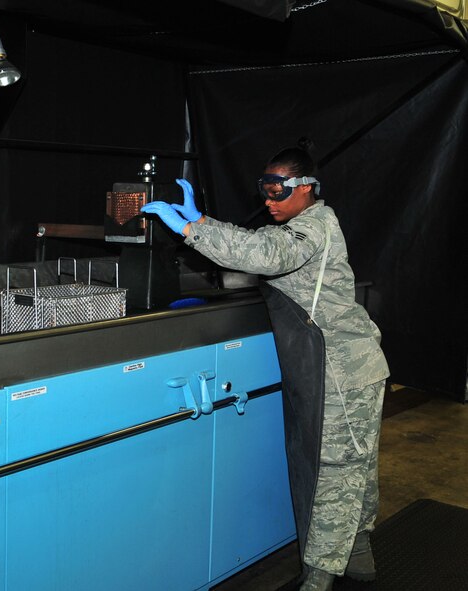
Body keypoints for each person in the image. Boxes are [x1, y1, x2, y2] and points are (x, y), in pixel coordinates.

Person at [141, 143, 390, 591]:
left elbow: (267, 255)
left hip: (343, 372)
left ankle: (321, 574)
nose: (270, 202)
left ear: (307, 188)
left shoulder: (315, 223)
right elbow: (262, 246)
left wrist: (197, 228)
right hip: (334, 367)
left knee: (334, 469)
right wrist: (204, 225)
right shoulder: (301, 223)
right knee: (352, 462)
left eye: (278, 191)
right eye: (265, 192)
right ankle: (358, 557)